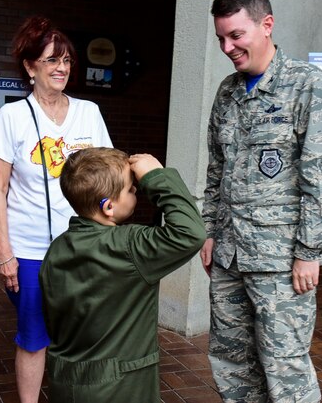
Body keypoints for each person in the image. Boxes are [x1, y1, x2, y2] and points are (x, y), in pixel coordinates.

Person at [200, 0, 322, 403]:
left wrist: (310, 251)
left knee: (284, 366)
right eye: (221, 38)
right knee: (232, 360)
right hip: (230, 254)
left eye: (236, 35)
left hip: (282, 260)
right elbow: (217, 170)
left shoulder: (307, 85)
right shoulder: (228, 93)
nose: (228, 47)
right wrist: (210, 231)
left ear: (266, 25)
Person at [0, 15, 112, 403]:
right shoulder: (13, 116)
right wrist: (4, 252)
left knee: (81, 335)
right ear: (29, 66)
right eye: (51, 60)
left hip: (81, 249)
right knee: (35, 337)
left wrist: (105, 239)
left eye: (67, 61)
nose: (61, 69)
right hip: (30, 251)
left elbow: (108, 177)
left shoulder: (88, 112)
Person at [39, 148, 207, 402]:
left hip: (67, 383)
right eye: (130, 189)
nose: (136, 190)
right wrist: (156, 177)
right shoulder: (128, 246)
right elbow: (190, 233)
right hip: (119, 389)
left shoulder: (58, 248)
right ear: (108, 206)